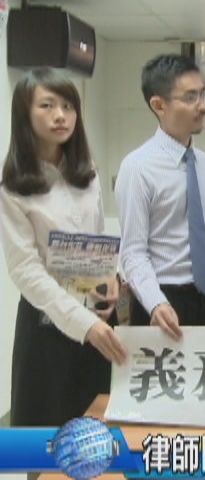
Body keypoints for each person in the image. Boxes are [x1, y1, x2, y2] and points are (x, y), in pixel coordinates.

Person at [0, 67, 127, 427]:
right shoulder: (13, 188)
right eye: (47, 106)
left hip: (98, 317)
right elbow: (25, 270)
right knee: (46, 436)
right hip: (46, 328)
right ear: (24, 114)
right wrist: (82, 323)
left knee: (98, 430)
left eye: (68, 106)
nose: (61, 115)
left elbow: (97, 240)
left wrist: (112, 279)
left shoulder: (88, 173)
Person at [115, 54, 205, 341]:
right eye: (190, 97)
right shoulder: (137, 167)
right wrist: (156, 303)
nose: (202, 106)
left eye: (203, 94)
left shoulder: (204, 163)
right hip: (161, 299)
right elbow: (133, 252)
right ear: (158, 105)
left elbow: (202, 236)